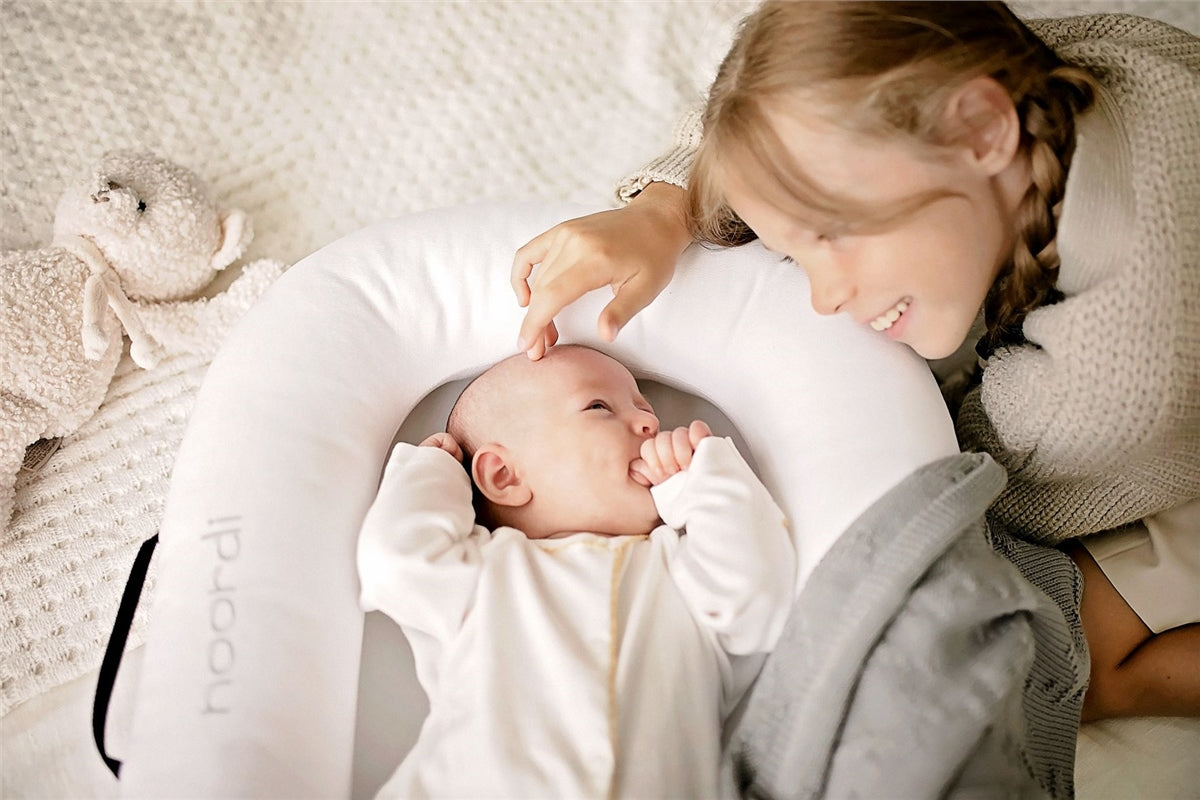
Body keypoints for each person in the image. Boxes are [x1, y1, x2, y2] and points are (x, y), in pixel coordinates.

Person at [509, 2, 1199, 728]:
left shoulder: (1111, 370)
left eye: (833, 235)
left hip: (1151, 438)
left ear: (983, 130)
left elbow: (968, 487)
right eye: (795, 250)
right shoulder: (1011, 79)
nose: (823, 297)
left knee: (1039, 658)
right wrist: (663, 208)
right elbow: (783, 98)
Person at [357, 344, 795, 798]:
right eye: (599, 407)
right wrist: (434, 471)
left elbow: (759, 601)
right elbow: (395, 562)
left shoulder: (681, 570)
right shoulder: (485, 573)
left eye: (648, 411)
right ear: (504, 475)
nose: (649, 424)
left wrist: (703, 478)